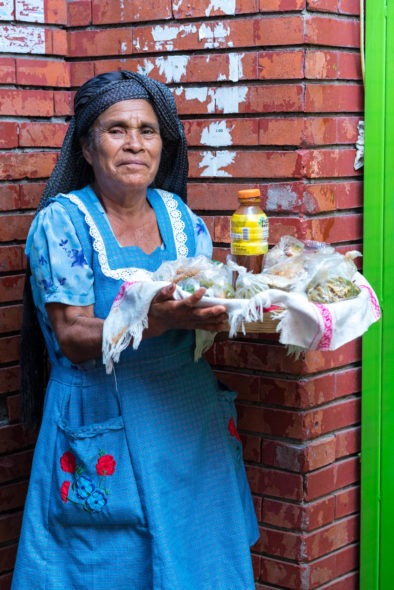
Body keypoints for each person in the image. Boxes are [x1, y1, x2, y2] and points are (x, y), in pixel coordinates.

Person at [12, 71, 259, 590]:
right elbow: (72, 337)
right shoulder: (64, 223)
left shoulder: (180, 217)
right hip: (103, 415)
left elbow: (205, 308)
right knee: (108, 566)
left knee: (202, 562)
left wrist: (251, 310)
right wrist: (158, 318)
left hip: (188, 421)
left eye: (147, 131)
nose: (134, 144)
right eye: (116, 130)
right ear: (86, 145)